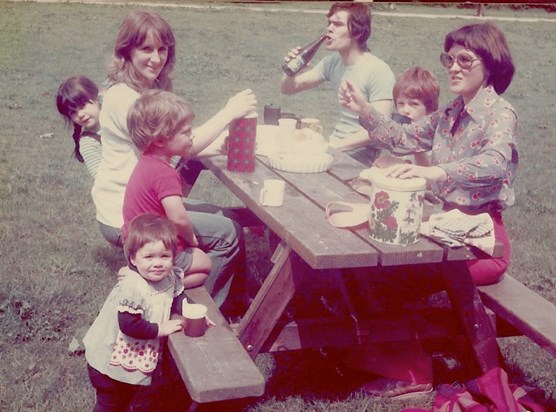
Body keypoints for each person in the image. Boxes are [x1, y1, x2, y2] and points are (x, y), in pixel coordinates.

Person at [339, 22, 517, 397]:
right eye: (449, 59)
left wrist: (435, 171)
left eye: (464, 60)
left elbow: (496, 164)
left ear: (490, 66)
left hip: (482, 243)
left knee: (389, 276)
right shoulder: (452, 112)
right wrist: (363, 108)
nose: (453, 67)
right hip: (445, 231)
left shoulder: (500, 114)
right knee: (372, 269)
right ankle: (387, 355)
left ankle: (413, 371)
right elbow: (403, 137)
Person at [91, 10, 257, 308]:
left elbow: (170, 146)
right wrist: (230, 112)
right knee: (227, 233)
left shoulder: (144, 90)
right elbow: (183, 148)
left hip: (145, 201)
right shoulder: (124, 98)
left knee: (227, 218)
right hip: (127, 215)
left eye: (162, 49)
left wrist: (216, 147)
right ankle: (190, 306)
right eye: (146, 49)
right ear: (126, 51)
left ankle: (237, 300)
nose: (156, 58)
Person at [84, 213, 211, 411]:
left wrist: (192, 311)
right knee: (110, 403)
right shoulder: (133, 288)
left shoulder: (169, 277)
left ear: (173, 255)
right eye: (149, 257)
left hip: (128, 358)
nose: (158, 263)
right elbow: (129, 325)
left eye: (165, 256)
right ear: (133, 259)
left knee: (124, 399)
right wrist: (161, 328)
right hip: (108, 361)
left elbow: (176, 297)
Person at [281, 2, 395, 166]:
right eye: (329, 23)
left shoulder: (378, 71)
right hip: (337, 147)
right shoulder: (332, 62)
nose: (329, 29)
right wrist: (291, 71)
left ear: (357, 31)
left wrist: (331, 147)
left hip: (362, 155)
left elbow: (381, 129)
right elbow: (288, 89)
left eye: (338, 24)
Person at [123, 90, 212, 278]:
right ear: (161, 140)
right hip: (155, 248)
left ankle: (160, 284)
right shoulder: (164, 172)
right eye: (186, 131)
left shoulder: (148, 162)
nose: (192, 136)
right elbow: (178, 219)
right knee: (205, 264)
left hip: (137, 245)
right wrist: (192, 240)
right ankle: (163, 288)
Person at [374, 66, 440, 168]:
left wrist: (417, 145)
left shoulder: (433, 139)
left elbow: (429, 176)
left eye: (414, 104)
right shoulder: (399, 133)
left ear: (429, 109)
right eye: (401, 103)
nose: (405, 110)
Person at [56, 75, 102, 179]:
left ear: (97, 96)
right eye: (73, 112)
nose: (80, 114)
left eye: (82, 105)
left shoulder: (117, 118)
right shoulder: (88, 142)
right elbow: (101, 179)